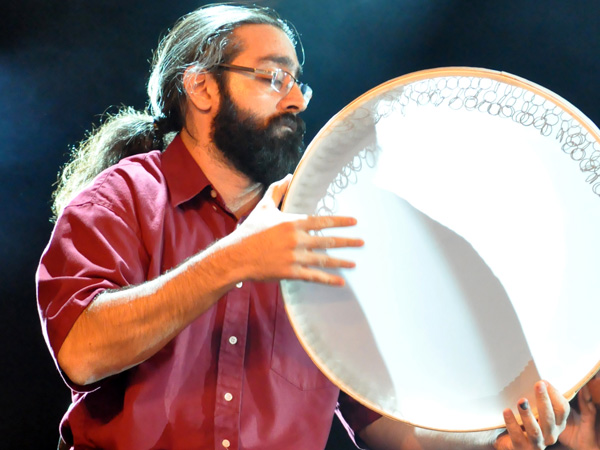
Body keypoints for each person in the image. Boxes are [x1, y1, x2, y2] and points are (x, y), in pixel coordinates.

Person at [36, 4, 569, 449]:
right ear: (201, 88)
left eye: (298, 84)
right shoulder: (119, 200)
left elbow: (385, 427)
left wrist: (501, 442)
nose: (294, 99)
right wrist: (237, 257)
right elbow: (83, 355)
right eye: (272, 77)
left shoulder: (320, 233)